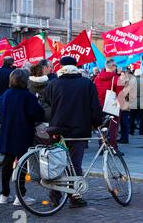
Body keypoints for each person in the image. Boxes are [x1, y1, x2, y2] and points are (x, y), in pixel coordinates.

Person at [43, 56, 103, 207]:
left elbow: (46, 105)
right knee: (76, 163)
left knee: (57, 163)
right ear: (76, 67)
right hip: (79, 130)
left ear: (61, 67)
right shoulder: (87, 83)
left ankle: (55, 196)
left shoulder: (53, 83)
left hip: (58, 130)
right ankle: (74, 196)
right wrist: (97, 123)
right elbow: (95, 108)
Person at [0, 69, 45, 205]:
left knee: (7, 163)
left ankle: (4, 194)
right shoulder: (27, 96)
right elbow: (38, 114)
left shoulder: (6, 94)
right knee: (22, 164)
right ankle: (20, 196)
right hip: (22, 133)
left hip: (7, 132)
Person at [93, 59, 123, 151]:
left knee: (102, 127)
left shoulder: (97, 78)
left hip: (100, 105)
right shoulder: (117, 78)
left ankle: (102, 146)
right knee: (113, 128)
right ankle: (113, 148)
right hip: (112, 105)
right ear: (113, 66)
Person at [129, 69, 143, 136]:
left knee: (132, 117)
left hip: (133, 101)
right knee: (142, 118)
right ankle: (141, 132)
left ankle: (131, 131)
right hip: (142, 101)